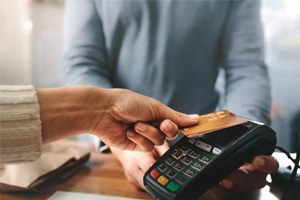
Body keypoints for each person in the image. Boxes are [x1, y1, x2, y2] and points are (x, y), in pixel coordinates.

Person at [61, 0, 279, 196]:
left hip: (204, 152)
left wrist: (240, 142)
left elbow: (246, 68)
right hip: (112, 156)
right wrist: (120, 141)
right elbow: (81, 64)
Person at [0, 85, 199, 163]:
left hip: (200, 144)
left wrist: (103, 112)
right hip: (118, 154)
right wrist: (103, 114)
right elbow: (80, 61)